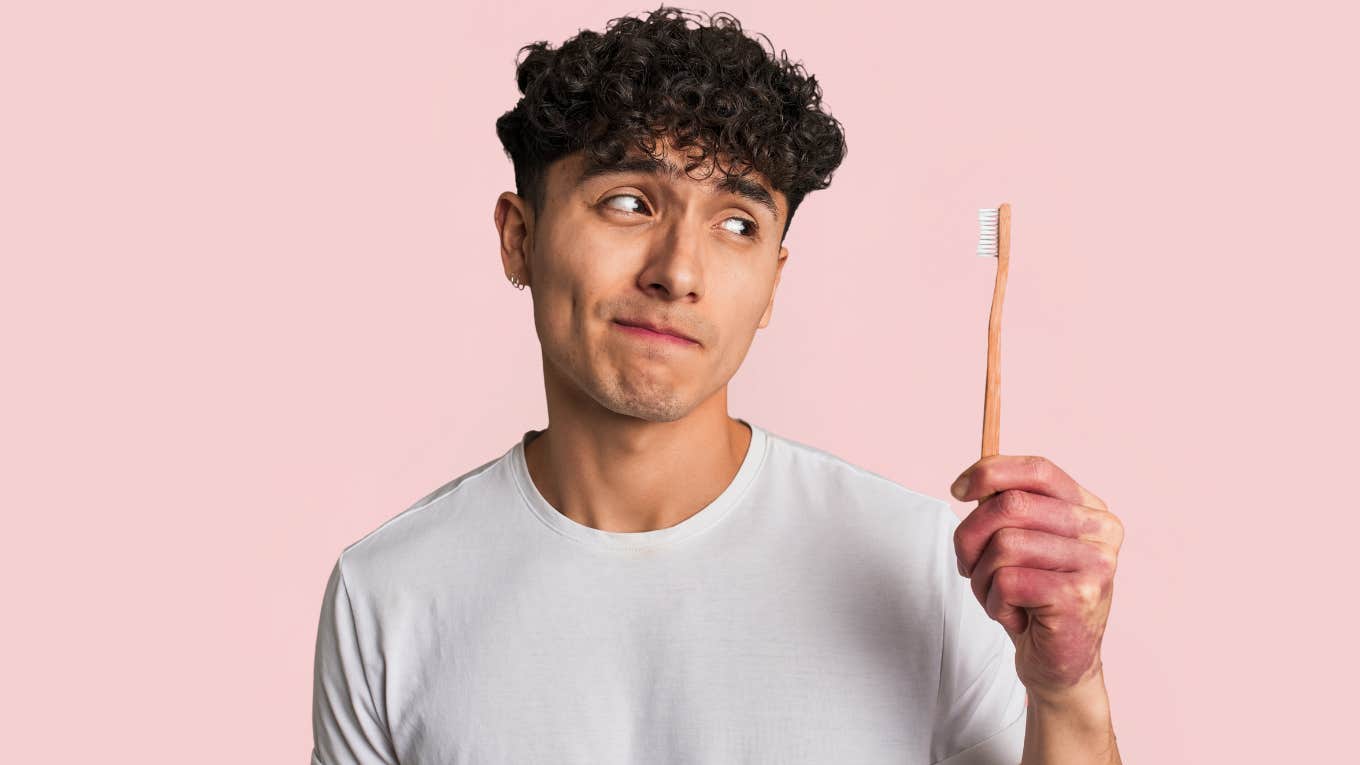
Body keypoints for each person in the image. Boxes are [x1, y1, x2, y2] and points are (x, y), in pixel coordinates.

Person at [311, 6, 1123, 764]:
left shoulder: (927, 569)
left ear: (773, 281)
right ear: (519, 238)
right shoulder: (389, 594)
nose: (678, 272)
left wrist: (1068, 691)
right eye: (628, 202)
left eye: (737, 223)